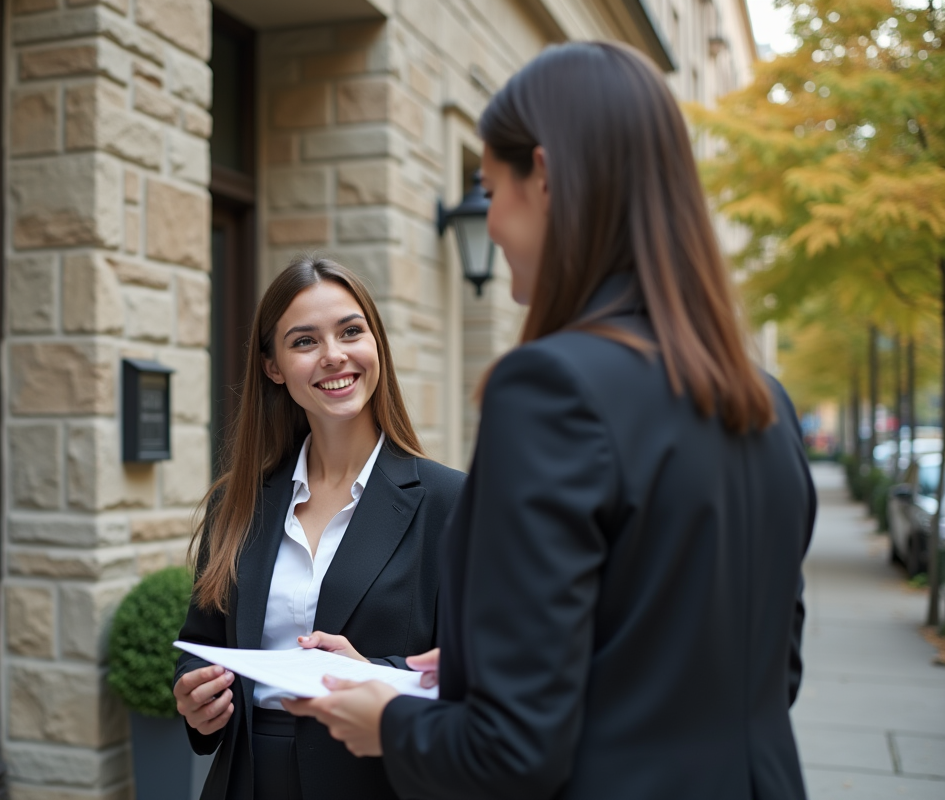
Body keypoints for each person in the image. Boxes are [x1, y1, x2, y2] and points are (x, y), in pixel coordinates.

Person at [285, 41, 817, 800]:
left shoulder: (552, 390)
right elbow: (755, 671)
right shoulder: (765, 401)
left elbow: (511, 754)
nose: (491, 222)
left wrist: (390, 721)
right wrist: (470, 665)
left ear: (542, 176)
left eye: (488, 186)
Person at [173, 256, 466, 800]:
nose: (334, 356)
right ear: (274, 367)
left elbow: (482, 672)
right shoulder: (238, 503)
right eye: (304, 341)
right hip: (247, 781)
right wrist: (194, 695)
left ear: (376, 343)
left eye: (351, 332)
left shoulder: (451, 503)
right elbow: (201, 644)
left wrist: (374, 673)